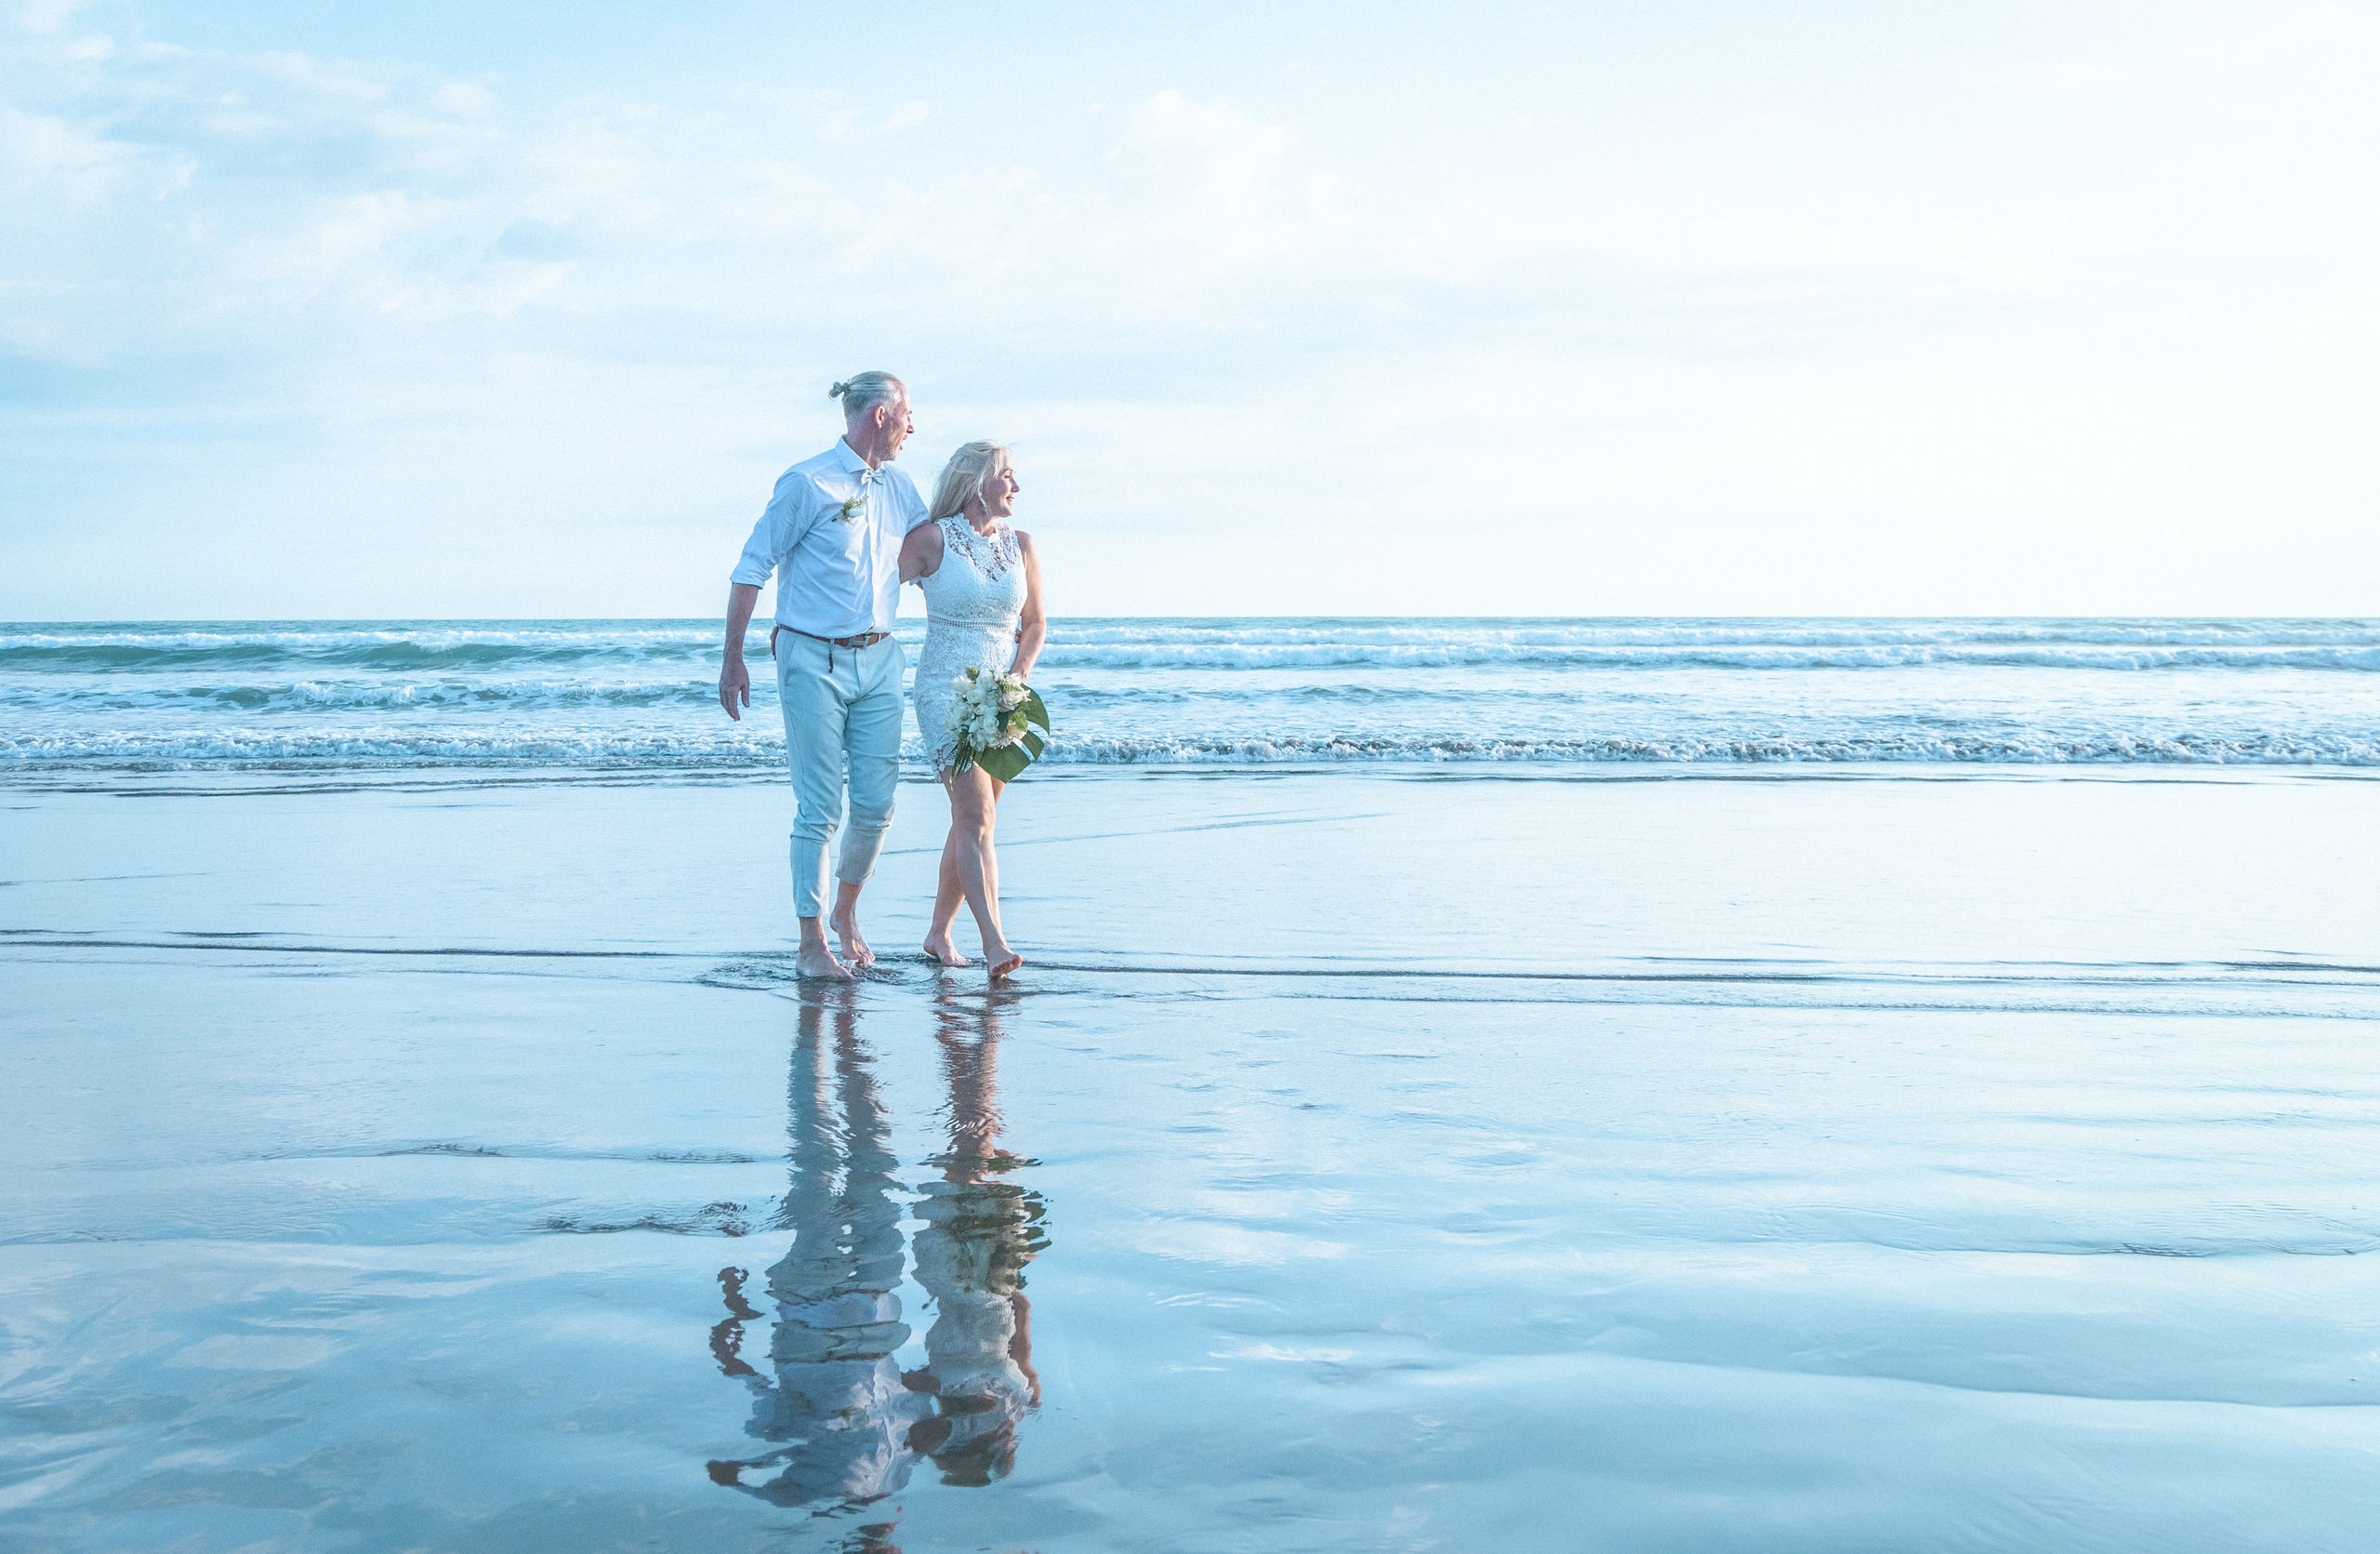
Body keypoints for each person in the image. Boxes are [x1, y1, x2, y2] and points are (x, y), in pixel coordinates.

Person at [720, 373, 929, 980]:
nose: (915, 426)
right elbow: (750, 567)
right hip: (812, 659)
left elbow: (930, 555)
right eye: (909, 414)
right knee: (820, 806)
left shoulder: (902, 488)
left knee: (876, 806)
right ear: (882, 416)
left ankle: (845, 912)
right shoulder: (806, 481)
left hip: (882, 659)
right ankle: (811, 943)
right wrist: (734, 657)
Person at [899, 443, 1046, 977]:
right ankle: (994, 943)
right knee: (976, 816)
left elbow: (1034, 623)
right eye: (1007, 475)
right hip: (944, 689)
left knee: (975, 819)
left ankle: (938, 934)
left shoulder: (1023, 545)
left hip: (1003, 697)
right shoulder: (932, 541)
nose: (1016, 486)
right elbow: (864, 588)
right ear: (977, 481)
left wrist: (1019, 677)